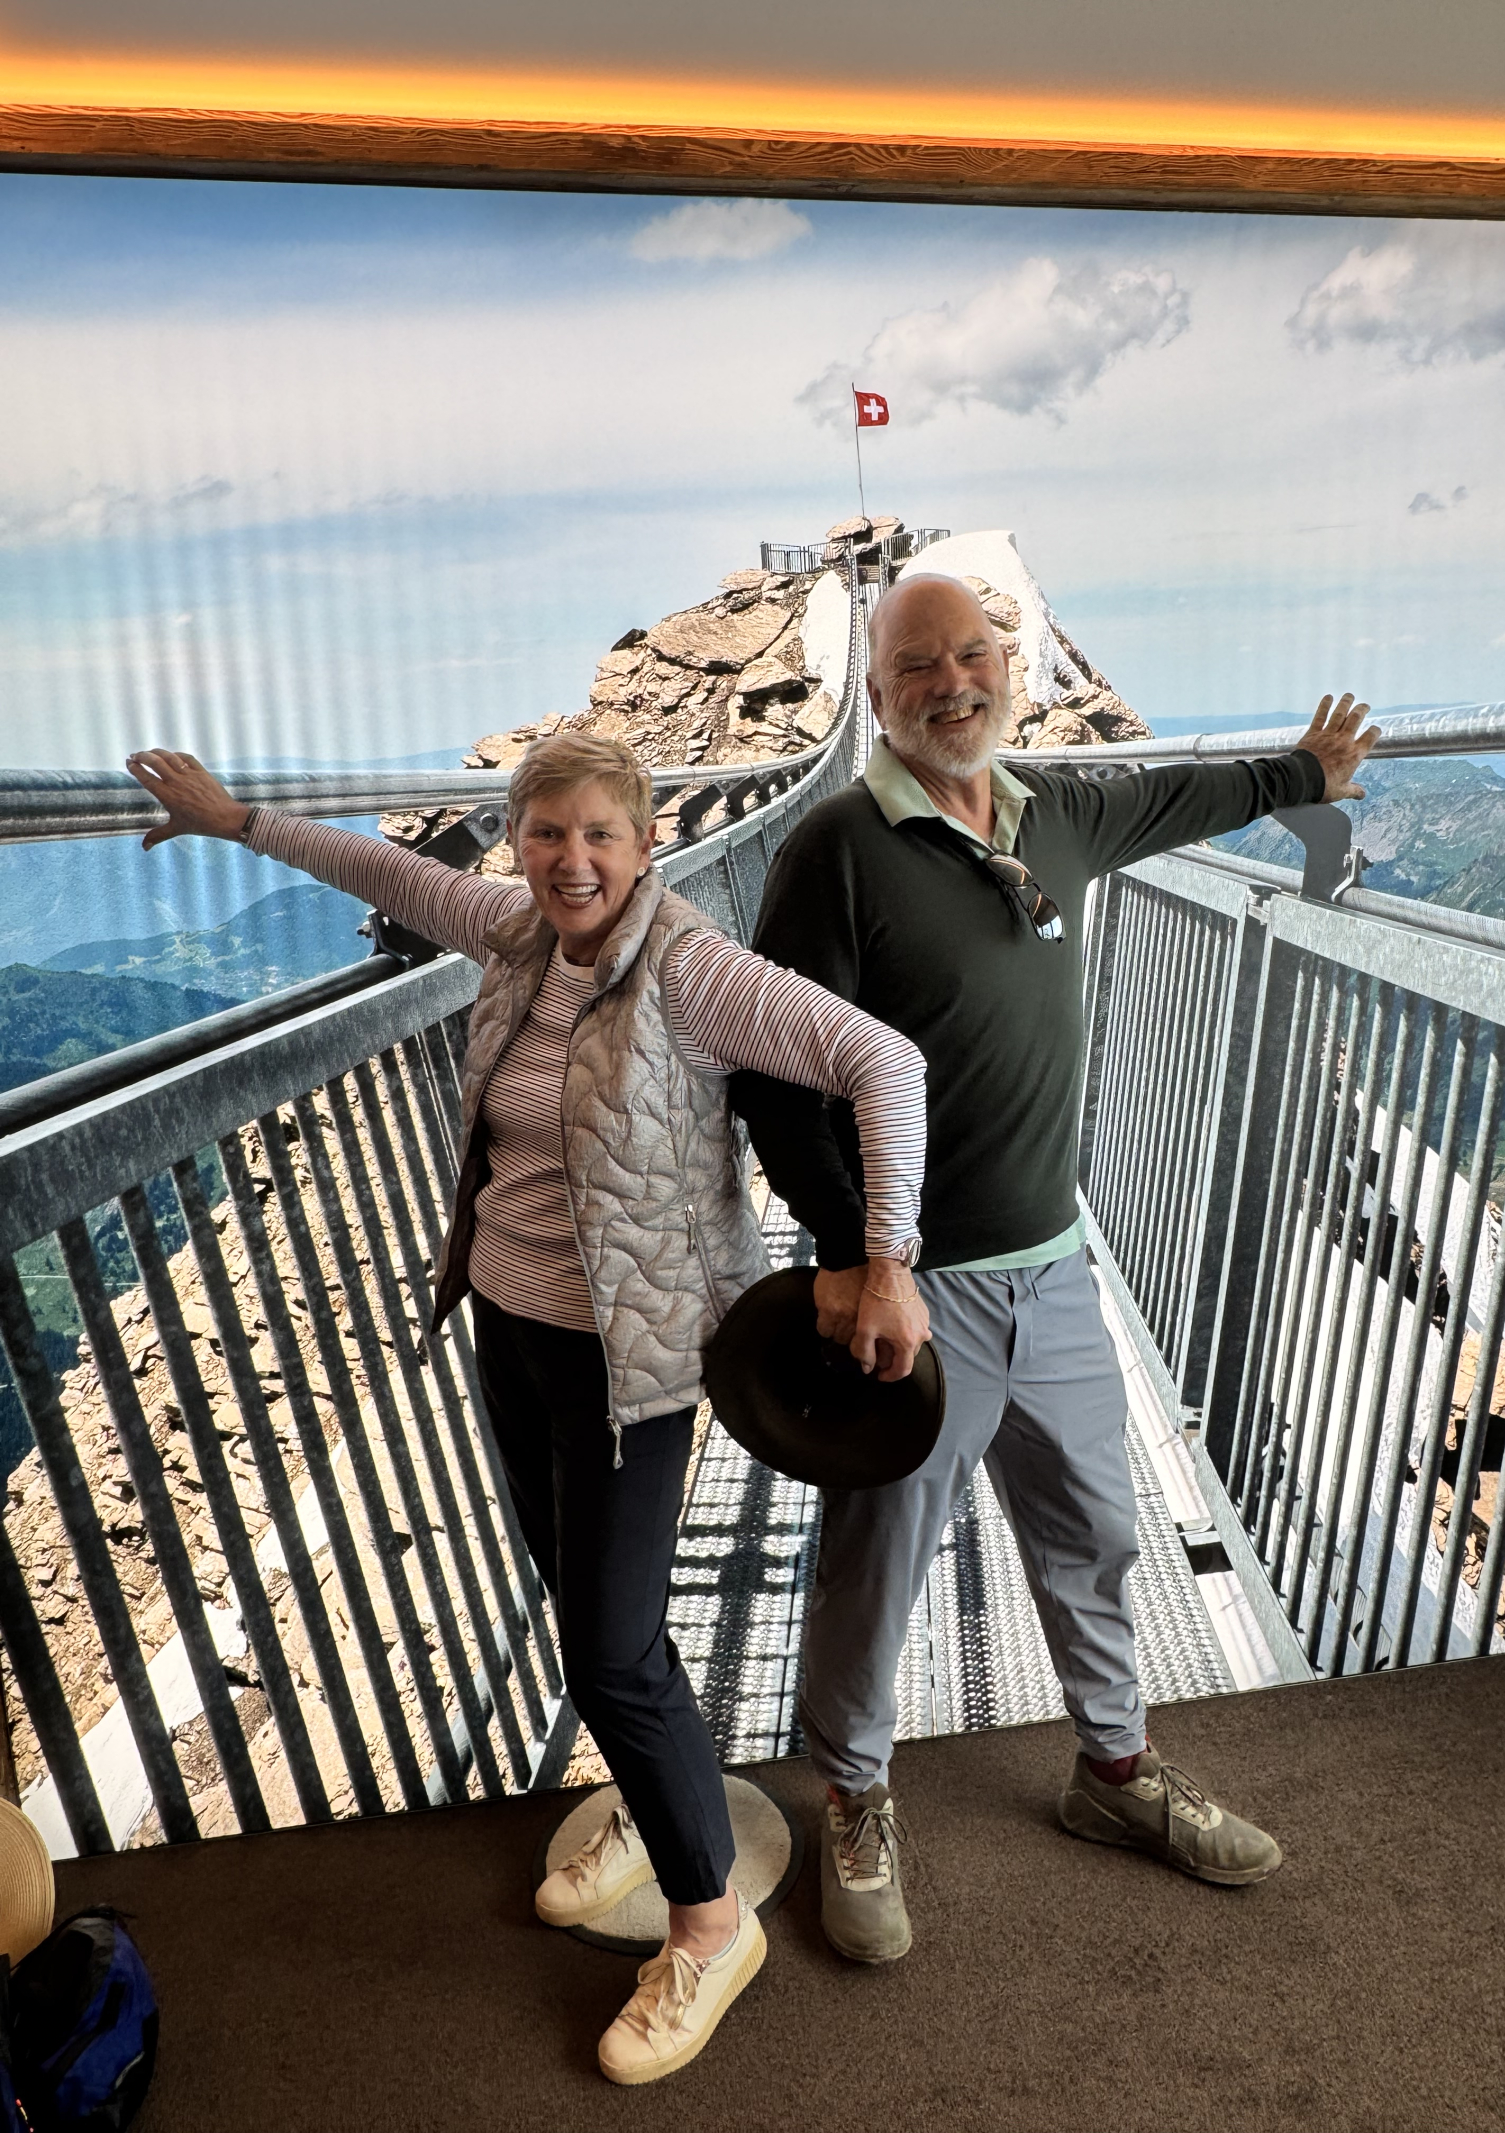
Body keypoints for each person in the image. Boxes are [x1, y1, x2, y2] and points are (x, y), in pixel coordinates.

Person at [124, 732, 931, 2083]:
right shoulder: (512, 934)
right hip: (513, 1333)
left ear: (644, 845)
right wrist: (235, 819)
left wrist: (885, 1256)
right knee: (584, 1607)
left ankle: (710, 1922)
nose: (570, 861)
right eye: (545, 834)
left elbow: (882, 1060)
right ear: (518, 843)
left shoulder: (694, 970)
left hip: (635, 1364)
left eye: (598, 836)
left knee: (609, 1646)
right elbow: (378, 864)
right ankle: (648, 1794)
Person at [732, 573, 1377, 1963]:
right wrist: (856, 1256)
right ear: (881, 692)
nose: (952, 683)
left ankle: (1116, 1774)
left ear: (1009, 664)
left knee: (1095, 1533)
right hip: (922, 1289)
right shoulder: (837, 848)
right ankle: (851, 1796)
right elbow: (774, 1081)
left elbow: (1181, 797)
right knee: (879, 1560)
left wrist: (1300, 772)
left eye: (975, 654)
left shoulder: (1056, 815)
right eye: (917, 665)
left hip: (1060, 1266)